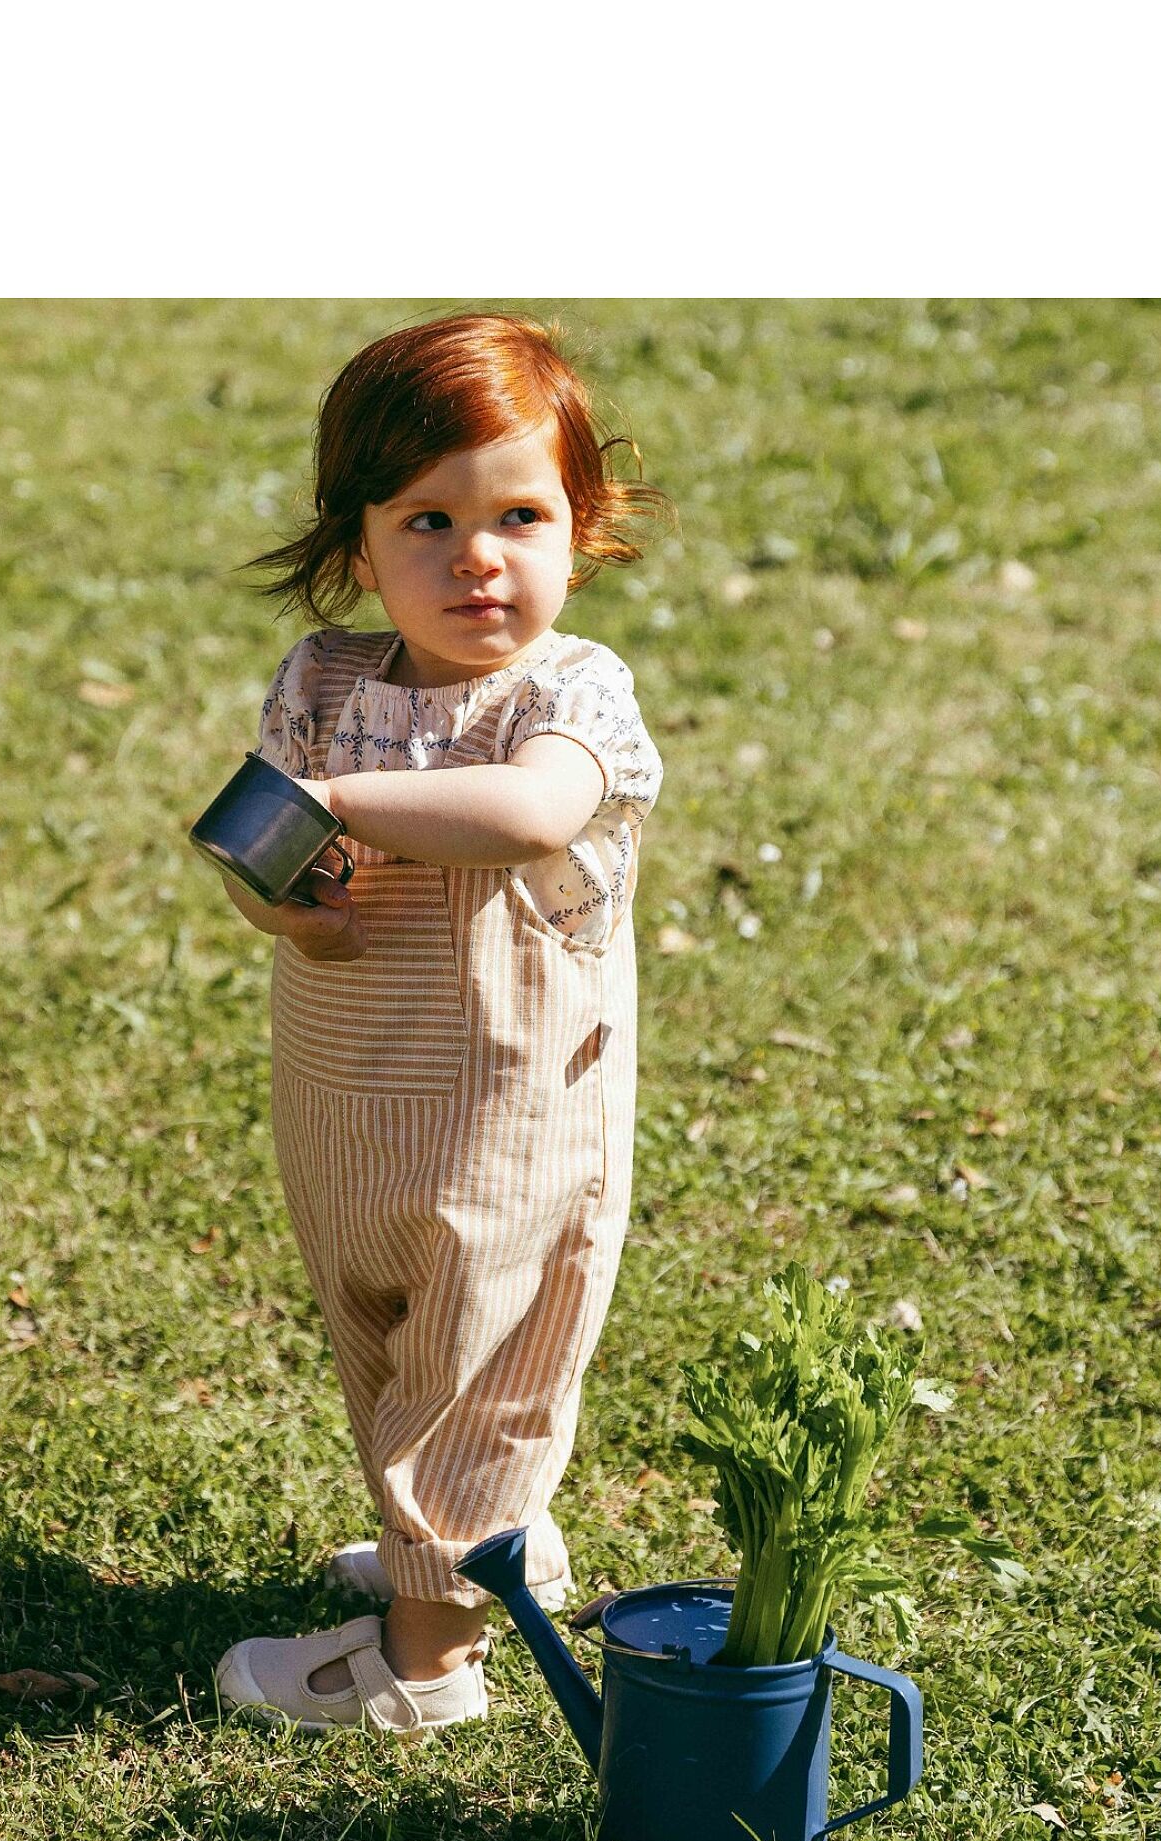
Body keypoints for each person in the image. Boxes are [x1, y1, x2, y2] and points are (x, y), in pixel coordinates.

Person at [209, 311, 674, 1732]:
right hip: (347, 1099)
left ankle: (428, 1664)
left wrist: (341, 812)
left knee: (479, 1361)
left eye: (519, 514)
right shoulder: (325, 689)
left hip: (510, 1113)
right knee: (394, 1347)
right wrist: (283, 906)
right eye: (428, 519)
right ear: (356, 546)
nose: (479, 555)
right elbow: (253, 853)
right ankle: (472, 1548)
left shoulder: (569, 697)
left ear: (578, 531)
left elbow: (528, 812)